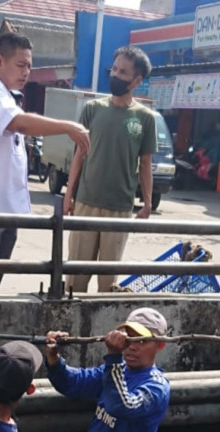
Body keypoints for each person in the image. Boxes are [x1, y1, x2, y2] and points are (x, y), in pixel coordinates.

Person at [0, 33, 89, 292]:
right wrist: (67, 127)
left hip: (1, 209)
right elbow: (19, 123)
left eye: (29, 66)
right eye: (21, 65)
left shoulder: (4, 93)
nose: (27, 72)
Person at [63, 46, 157, 293]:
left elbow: (145, 163)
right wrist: (68, 194)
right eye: (114, 69)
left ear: (136, 80)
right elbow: (79, 156)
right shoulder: (93, 109)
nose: (115, 75)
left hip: (120, 209)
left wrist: (147, 202)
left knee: (108, 283)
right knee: (75, 280)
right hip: (86, 203)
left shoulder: (145, 118)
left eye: (123, 72)